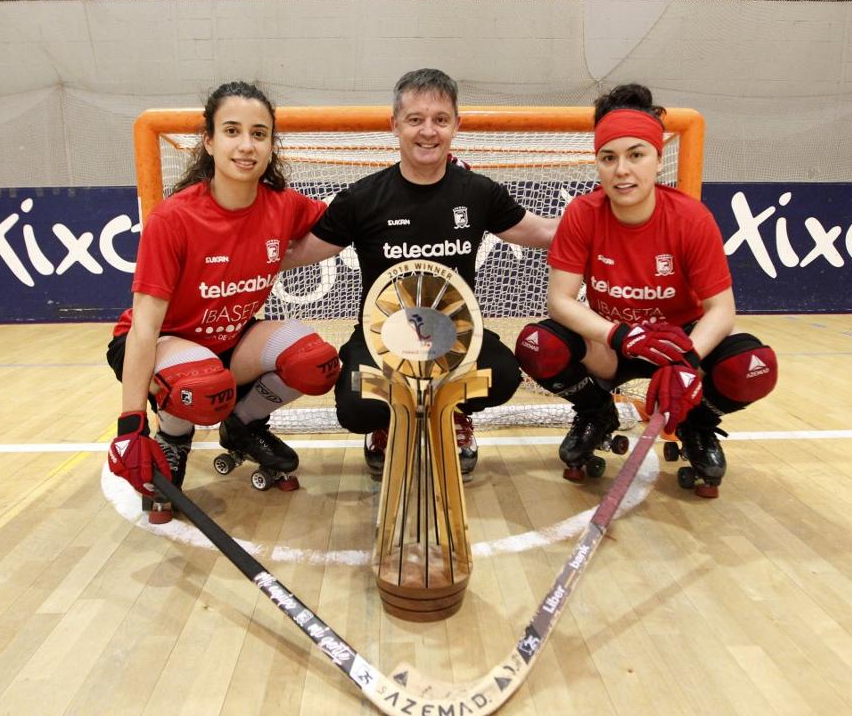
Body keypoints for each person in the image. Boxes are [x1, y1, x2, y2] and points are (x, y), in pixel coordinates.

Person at [283, 68, 557, 477]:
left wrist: (614, 222)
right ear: (394, 125)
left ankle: (454, 414)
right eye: (415, 119)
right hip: (382, 341)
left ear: (456, 126)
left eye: (440, 120)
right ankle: (385, 421)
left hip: (457, 337)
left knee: (501, 374)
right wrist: (237, 247)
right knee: (356, 406)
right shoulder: (363, 198)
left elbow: (543, 232)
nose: (428, 131)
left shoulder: (478, 192)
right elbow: (300, 252)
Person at [513, 83, 778, 494]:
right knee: (536, 344)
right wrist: (619, 333)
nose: (622, 170)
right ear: (597, 164)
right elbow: (560, 301)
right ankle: (596, 413)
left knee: (754, 366)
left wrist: (688, 359)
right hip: (612, 343)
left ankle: (697, 425)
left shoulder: (691, 218)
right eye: (609, 158)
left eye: (636, 155)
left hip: (676, 345)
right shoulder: (583, 214)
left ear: (657, 159)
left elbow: (722, 310)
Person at [106, 82, 341, 521]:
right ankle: (172, 439)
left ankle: (243, 424)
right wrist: (130, 424)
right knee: (204, 386)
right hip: (161, 344)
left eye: (259, 133)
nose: (246, 145)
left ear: (272, 144)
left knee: (317, 362)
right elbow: (143, 327)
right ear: (209, 142)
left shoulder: (283, 205)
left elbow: (343, 227)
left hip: (229, 343)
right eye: (232, 131)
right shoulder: (173, 219)